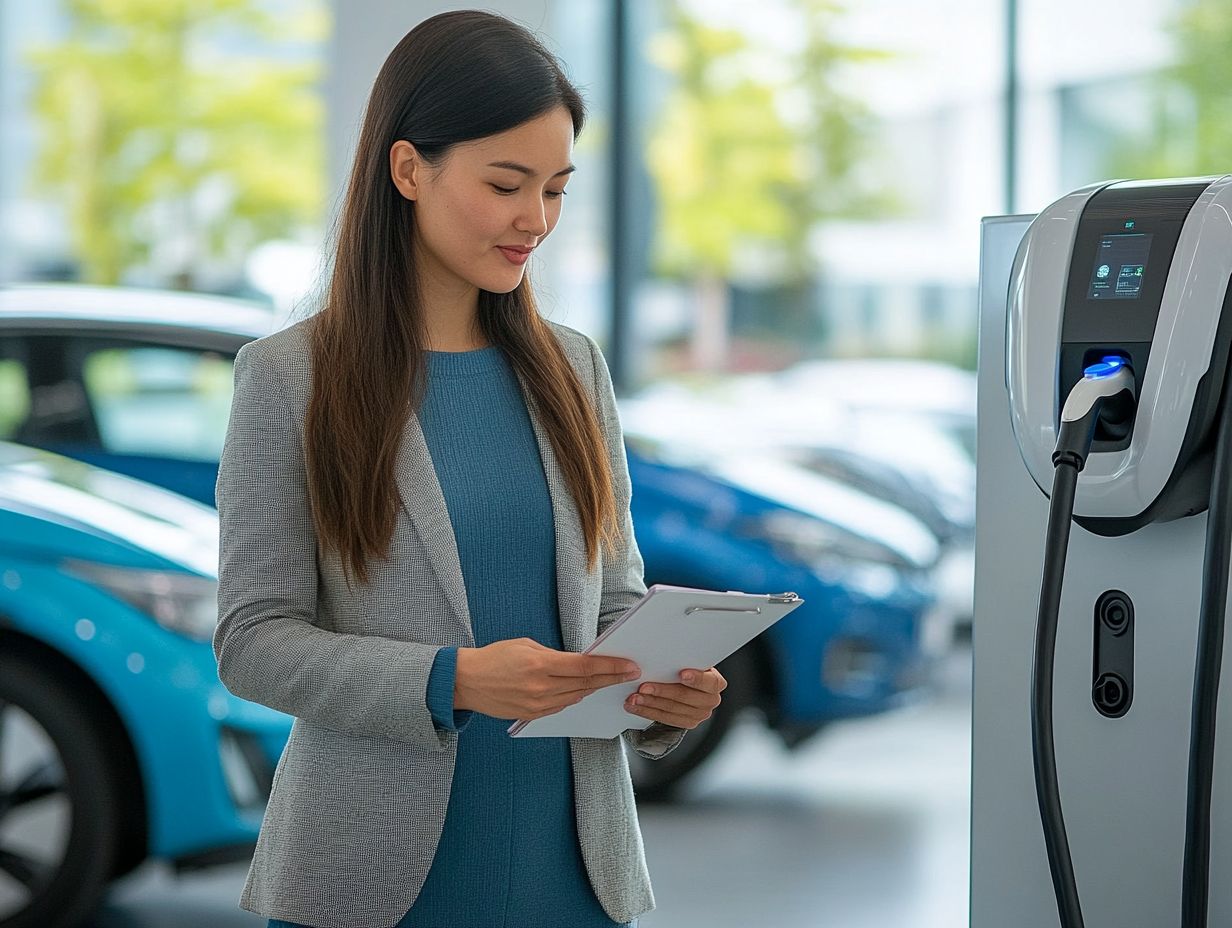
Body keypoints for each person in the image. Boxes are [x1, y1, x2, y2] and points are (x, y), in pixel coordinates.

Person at [213, 10, 728, 928]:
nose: (536, 220)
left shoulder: (574, 368)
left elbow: (611, 602)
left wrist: (663, 695)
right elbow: (253, 639)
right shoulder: (289, 376)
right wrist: (451, 680)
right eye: (506, 184)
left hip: (572, 874)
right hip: (372, 879)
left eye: (558, 189)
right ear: (409, 169)